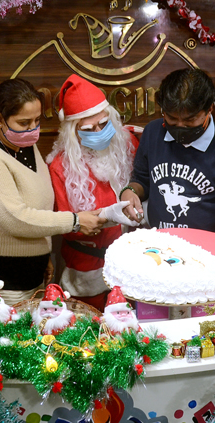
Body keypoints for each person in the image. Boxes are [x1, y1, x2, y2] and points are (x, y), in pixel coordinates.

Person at [0, 79, 105, 306]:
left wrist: (43, 253)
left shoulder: (26, 146)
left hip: (32, 279)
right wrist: (75, 221)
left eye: (37, 120)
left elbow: (38, 206)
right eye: (24, 122)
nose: (32, 129)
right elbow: (15, 218)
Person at [121, 68, 215, 252]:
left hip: (209, 252)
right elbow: (142, 179)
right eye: (172, 118)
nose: (180, 126)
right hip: (160, 246)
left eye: (190, 120)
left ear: (209, 109)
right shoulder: (153, 133)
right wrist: (130, 191)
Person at [47, 75, 139, 310]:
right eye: (88, 129)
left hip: (130, 261)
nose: (99, 132)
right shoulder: (60, 167)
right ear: (72, 132)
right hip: (85, 267)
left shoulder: (128, 144)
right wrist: (107, 215)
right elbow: (65, 224)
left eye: (104, 124)